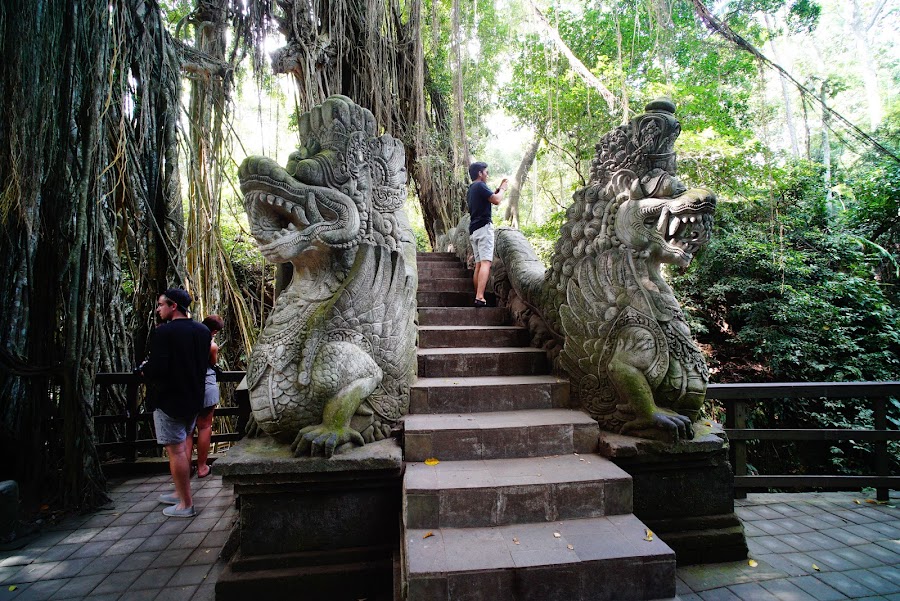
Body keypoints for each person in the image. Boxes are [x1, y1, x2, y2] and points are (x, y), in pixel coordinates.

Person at [140, 288, 211, 518]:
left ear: (173, 306)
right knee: (183, 448)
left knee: (177, 451)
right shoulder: (202, 331)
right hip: (193, 400)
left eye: (161, 305)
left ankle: (185, 503)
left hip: (169, 400)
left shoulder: (163, 333)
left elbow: (159, 368)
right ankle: (179, 492)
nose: (158, 309)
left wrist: (144, 371)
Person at [467, 161, 507, 306]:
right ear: (480, 173)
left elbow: (489, 198)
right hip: (484, 228)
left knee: (478, 264)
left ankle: (478, 295)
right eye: (486, 172)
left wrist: (495, 191)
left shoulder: (472, 188)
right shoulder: (480, 185)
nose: (487, 175)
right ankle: (480, 296)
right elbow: (496, 200)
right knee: (485, 263)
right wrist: (503, 189)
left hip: (474, 229)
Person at [194, 315, 224, 479]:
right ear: (214, 331)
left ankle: (185, 466)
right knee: (205, 426)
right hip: (206, 385)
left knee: (187, 429)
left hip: (189, 388)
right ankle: (201, 467)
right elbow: (212, 363)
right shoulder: (211, 346)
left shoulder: (189, 341)